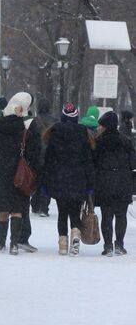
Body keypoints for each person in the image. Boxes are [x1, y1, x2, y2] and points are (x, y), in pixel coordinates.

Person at [0, 92, 40, 255]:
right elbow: (34, 156)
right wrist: (37, 176)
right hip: (19, 176)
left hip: (0, 174)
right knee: (18, 210)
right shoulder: (26, 131)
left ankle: (0, 242)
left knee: (2, 210)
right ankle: (14, 243)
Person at [42, 102, 94, 256]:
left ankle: (63, 244)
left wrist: (45, 184)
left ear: (63, 117)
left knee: (62, 213)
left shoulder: (54, 132)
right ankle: (76, 235)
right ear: (76, 117)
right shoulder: (84, 133)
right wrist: (90, 184)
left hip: (59, 178)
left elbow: (48, 161)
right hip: (78, 178)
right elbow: (88, 161)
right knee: (74, 211)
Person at [93, 111, 135, 256]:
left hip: (105, 182)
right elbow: (133, 163)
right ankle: (119, 245)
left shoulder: (98, 142)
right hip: (123, 181)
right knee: (121, 215)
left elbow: (94, 162)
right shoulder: (126, 141)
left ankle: (108, 246)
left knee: (107, 215)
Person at [31, 98, 59, 217]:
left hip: (36, 155)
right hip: (50, 155)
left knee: (36, 180)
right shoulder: (55, 122)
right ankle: (44, 206)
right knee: (46, 182)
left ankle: (35, 204)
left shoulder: (34, 121)